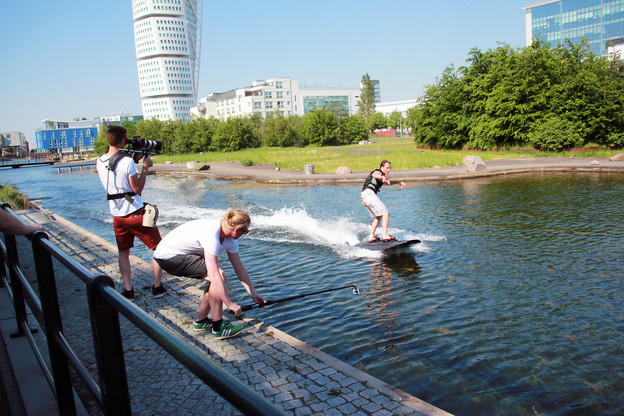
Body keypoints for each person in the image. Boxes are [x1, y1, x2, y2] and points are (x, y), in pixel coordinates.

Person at [153, 209, 265, 340]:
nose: (244, 234)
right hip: (168, 257)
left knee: (217, 279)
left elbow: (239, 268)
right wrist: (229, 303)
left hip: (182, 254)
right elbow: (213, 273)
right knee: (219, 276)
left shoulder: (231, 240)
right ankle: (218, 327)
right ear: (236, 230)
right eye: (245, 232)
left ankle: (201, 321)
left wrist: (253, 293)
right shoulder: (211, 234)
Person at [96, 125, 166, 301]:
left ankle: (128, 291)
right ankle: (157, 287)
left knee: (123, 253)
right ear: (122, 140)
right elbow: (137, 189)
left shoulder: (99, 161)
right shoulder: (126, 162)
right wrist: (145, 168)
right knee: (158, 248)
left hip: (117, 216)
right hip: (136, 214)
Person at [360, 160, 406, 242]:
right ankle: (385, 235)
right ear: (382, 167)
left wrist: (398, 182)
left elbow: (388, 183)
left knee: (379, 215)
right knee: (385, 213)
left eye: (390, 168)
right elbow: (375, 174)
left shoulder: (383, 176)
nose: (389, 170)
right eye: (387, 168)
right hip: (368, 194)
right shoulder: (377, 172)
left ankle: (371, 236)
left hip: (364, 196)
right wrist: (382, 177)